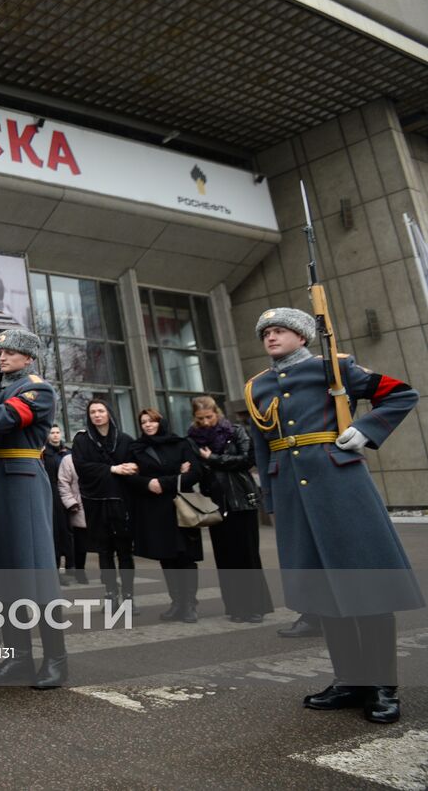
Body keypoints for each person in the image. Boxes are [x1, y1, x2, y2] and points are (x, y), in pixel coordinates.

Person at [246, 307, 421, 724]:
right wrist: (271, 498)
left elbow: (401, 393)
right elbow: (262, 444)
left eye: (279, 330)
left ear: (302, 336)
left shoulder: (335, 368)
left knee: (367, 588)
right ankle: (350, 680)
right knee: (325, 594)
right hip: (292, 493)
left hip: (341, 487)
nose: (270, 337)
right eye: (265, 333)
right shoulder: (258, 386)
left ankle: (381, 685)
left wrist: (368, 428)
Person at [0, 327, 67, 689]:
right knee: (3, 573)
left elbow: (3, 420)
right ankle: (19, 657)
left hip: (21, 484)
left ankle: (55, 659)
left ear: (29, 357)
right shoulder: (0, 390)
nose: (3, 356)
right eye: (0, 352)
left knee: (35, 572)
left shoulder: (37, 389)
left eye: (12, 352)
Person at [188, 396, 273, 624]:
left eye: (209, 417)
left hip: (241, 500)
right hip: (215, 504)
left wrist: (213, 458)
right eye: (200, 418)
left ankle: (256, 607)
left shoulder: (235, 431)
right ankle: (236, 607)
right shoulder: (193, 439)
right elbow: (196, 468)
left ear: (217, 413)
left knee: (247, 556)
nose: (205, 422)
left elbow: (247, 459)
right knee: (225, 559)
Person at [128, 408, 204, 624]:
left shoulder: (180, 443)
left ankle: (190, 604)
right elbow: (131, 477)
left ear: (161, 422)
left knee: (186, 557)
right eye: (143, 422)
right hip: (155, 510)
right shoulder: (137, 448)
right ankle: (177, 602)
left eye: (151, 421)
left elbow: (195, 472)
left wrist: (162, 482)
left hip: (182, 508)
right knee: (167, 557)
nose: (148, 425)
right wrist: (147, 482)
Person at [70, 399, 137, 611]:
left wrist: (133, 467)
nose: (97, 415)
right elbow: (82, 467)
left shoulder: (125, 440)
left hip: (121, 502)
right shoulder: (82, 440)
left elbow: (136, 466)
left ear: (109, 413)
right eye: (92, 412)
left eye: (101, 411)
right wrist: (112, 470)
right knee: (104, 551)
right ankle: (110, 594)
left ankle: (128, 596)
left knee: (125, 551)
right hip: (96, 503)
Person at [42, 425, 75, 582]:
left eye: (57, 432)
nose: (55, 435)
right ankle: (55, 567)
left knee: (69, 531)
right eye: (52, 433)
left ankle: (72, 565)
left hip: (68, 496)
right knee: (55, 532)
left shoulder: (67, 452)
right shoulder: (44, 453)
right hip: (53, 495)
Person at [56, 450, 88, 584]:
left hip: (97, 504)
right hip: (78, 505)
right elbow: (63, 483)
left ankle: (108, 575)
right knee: (81, 542)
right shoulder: (68, 460)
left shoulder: (97, 455)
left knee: (105, 544)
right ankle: (79, 571)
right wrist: (70, 503)